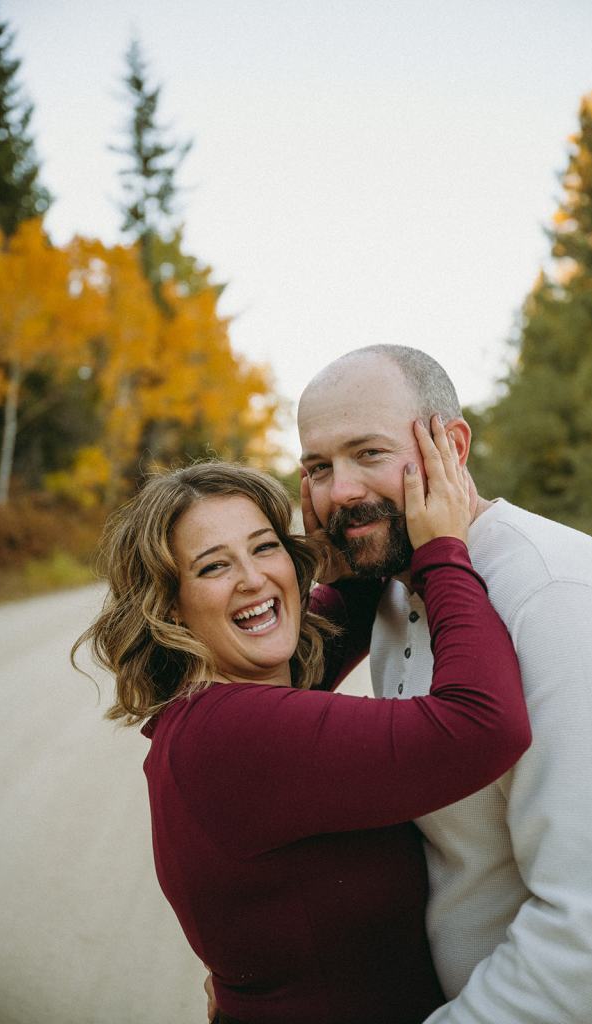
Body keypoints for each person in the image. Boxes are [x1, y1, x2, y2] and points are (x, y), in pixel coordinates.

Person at [73, 419, 530, 1024]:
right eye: (213, 567)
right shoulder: (238, 733)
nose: (254, 578)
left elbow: (341, 615)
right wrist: (444, 551)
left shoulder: (215, 708)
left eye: (265, 547)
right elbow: (484, 725)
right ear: (169, 605)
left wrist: (345, 545)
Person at [297, 343, 592, 1024]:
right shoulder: (390, 588)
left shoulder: (556, 597)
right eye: (319, 467)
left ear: (454, 443)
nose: (342, 491)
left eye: (369, 454)